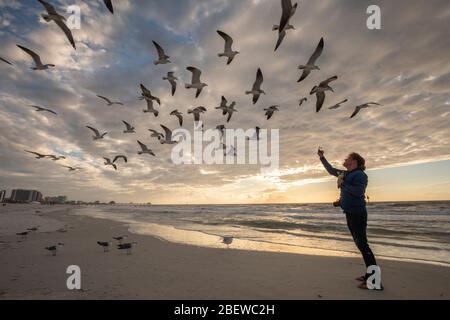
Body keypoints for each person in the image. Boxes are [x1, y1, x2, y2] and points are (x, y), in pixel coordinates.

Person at [318, 148, 381, 290]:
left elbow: (358, 192)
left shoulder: (360, 175)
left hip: (357, 215)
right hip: (350, 213)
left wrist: (343, 184)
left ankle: (375, 282)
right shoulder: (345, 174)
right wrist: (322, 157)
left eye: (347, 158)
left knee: (364, 246)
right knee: (361, 246)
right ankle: (369, 275)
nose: (344, 160)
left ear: (354, 161)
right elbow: (330, 170)